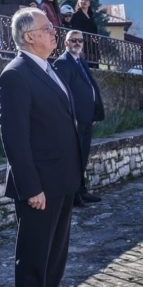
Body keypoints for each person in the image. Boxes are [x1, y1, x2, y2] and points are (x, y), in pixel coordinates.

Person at [0, 8, 84, 287]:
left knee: (55, 255)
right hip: (39, 187)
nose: (54, 33)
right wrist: (31, 187)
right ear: (29, 36)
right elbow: (14, 138)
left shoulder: (49, 69)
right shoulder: (15, 75)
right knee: (33, 258)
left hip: (61, 181)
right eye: (48, 28)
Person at [54, 29, 105, 207]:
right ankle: (74, 196)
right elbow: (63, 94)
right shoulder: (62, 63)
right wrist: (72, 117)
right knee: (74, 159)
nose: (77, 43)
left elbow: (90, 88)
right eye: (73, 40)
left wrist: (94, 113)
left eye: (80, 41)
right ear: (66, 43)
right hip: (75, 121)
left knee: (82, 157)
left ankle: (82, 191)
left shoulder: (80, 61)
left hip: (86, 119)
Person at [68, 0, 100, 69]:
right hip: (83, 46)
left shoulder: (91, 16)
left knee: (94, 68)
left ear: (89, 3)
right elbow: (75, 31)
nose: (84, 1)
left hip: (93, 47)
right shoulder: (76, 15)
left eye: (86, 0)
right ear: (78, 2)